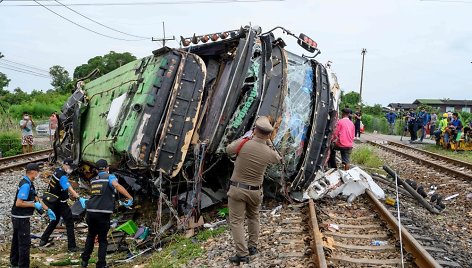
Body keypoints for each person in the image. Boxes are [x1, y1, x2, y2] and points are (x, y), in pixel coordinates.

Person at [225, 116, 281, 265]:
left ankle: (242, 254)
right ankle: (253, 247)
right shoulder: (268, 152)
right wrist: (267, 141)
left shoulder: (244, 144)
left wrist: (248, 137)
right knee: (253, 217)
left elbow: (228, 149)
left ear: (255, 130)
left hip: (238, 190)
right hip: (256, 192)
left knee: (236, 222)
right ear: (268, 134)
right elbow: (278, 158)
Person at [81, 159, 133, 268]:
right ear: (107, 168)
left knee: (91, 236)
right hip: (102, 213)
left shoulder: (93, 180)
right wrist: (129, 197)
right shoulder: (110, 177)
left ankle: (84, 261)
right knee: (103, 239)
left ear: (96, 170)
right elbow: (116, 186)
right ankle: (101, 264)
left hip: (90, 212)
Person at [10, 163, 56, 268]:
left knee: (17, 240)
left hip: (19, 217)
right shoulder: (25, 185)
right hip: (20, 218)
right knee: (24, 243)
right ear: (32, 172)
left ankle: (14, 262)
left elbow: (37, 198)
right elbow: (19, 203)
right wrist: (33, 205)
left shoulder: (30, 183)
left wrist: (47, 209)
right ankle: (23, 265)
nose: (39, 173)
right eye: (38, 171)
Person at [39, 158, 87, 251]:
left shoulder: (57, 171)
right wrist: (79, 198)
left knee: (55, 220)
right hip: (61, 203)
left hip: (53, 201)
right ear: (65, 165)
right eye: (70, 167)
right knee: (69, 222)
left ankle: (43, 239)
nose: (71, 169)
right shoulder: (62, 177)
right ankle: (72, 247)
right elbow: (69, 188)